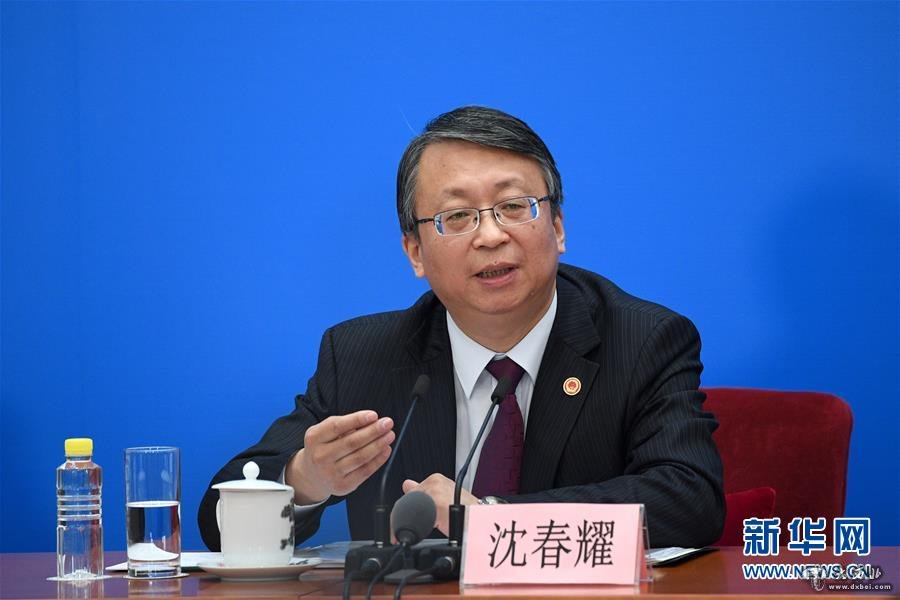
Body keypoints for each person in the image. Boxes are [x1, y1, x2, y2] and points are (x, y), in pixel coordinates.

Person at [198, 106, 725, 550]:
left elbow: (690, 500)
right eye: (457, 217)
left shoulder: (642, 340)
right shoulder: (362, 355)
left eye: (514, 207)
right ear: (415, 252)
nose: (491, 236)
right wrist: (305, 479)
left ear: (558, 227)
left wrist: (490, 520)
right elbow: (217, 526)